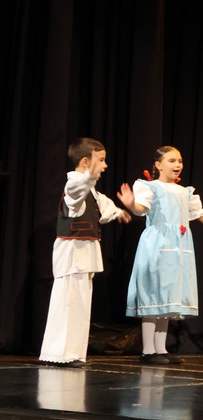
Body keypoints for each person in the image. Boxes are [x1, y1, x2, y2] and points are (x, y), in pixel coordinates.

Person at [124, 145, 203, 365]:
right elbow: (141, 208)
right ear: (158, 165)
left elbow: (202, 215)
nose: (177, 165)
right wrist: (132, 205)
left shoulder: (185, 191)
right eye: (171, 161)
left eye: (179, 160)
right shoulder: (150, 186)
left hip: (179, 248)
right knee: (153, 295)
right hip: (157, 245)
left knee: (167, 298)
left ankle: (160, 349)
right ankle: (148, 351)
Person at [40, 138, 134, 367]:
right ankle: (59, 353)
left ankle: (73, 353)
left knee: (80, 307)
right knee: (68, 304)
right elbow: (75, 191)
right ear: (85, 162)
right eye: (101, 160)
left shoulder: (92, 192)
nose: (105, 165)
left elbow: (105, 205)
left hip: (83, 256)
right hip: (72, 256)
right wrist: (88, 177)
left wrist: (120, 211)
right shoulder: (74, 185)